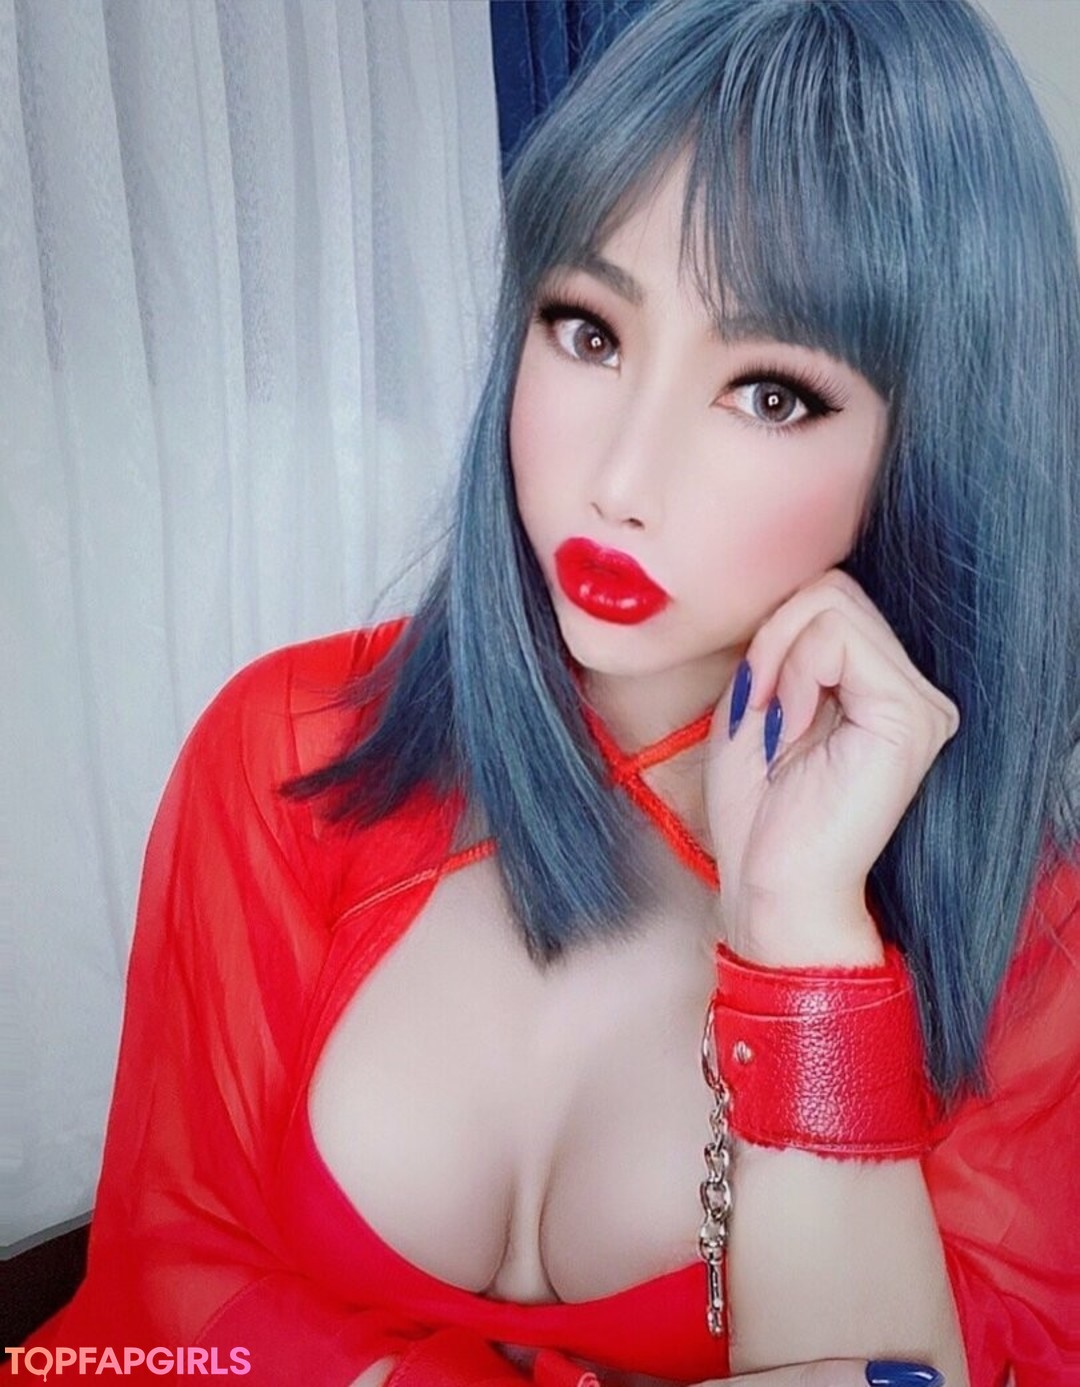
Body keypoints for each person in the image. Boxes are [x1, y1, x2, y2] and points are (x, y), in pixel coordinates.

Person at [11, 1, 1079, 1384]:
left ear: (930, 446)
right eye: (588, 329)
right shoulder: (292, 753)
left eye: (769, 394)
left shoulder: (1026, 944)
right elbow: (174, 1276)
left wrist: (805, 945)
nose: (620, 480)